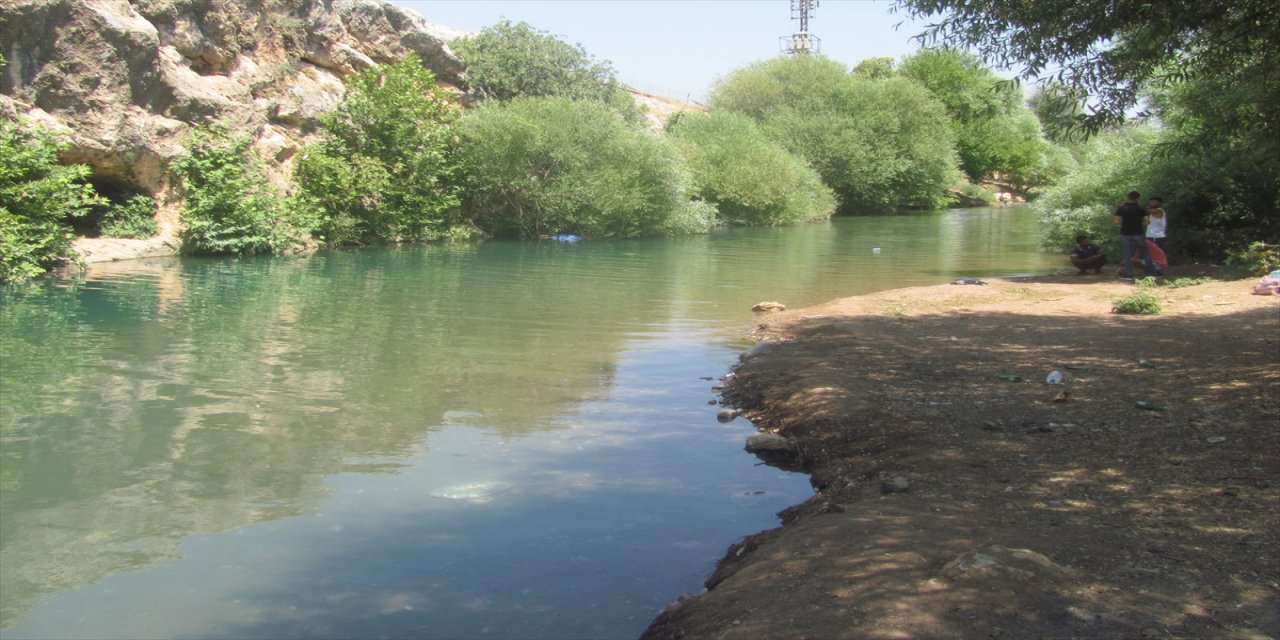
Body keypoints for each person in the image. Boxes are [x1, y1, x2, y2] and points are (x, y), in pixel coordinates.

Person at [1114, 190, 1160, 279]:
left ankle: (1129, 274)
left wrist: (1124, 223)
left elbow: (1116, 221)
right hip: (1138, 233)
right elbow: (1147, 222)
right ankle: (1153, 272)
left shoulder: (1122, 208)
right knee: (1145, 253)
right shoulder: (1141, 208)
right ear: (1138, 198)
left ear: (1128, 197)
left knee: (1127, 254)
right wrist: (1140, 224)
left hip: (1125, 233)